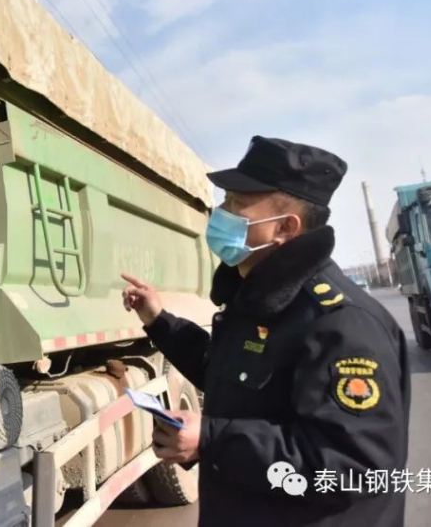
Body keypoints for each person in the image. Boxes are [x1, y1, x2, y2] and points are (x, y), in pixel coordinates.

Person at [121, 136, 411, 527]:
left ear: (285, 228)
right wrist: (158, 320)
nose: (220, 213)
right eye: (225, 200)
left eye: (236, 203)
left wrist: (212, 439)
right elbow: (227, 375)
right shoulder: (262, 303)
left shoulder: (339, 324)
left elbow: (355, 466)